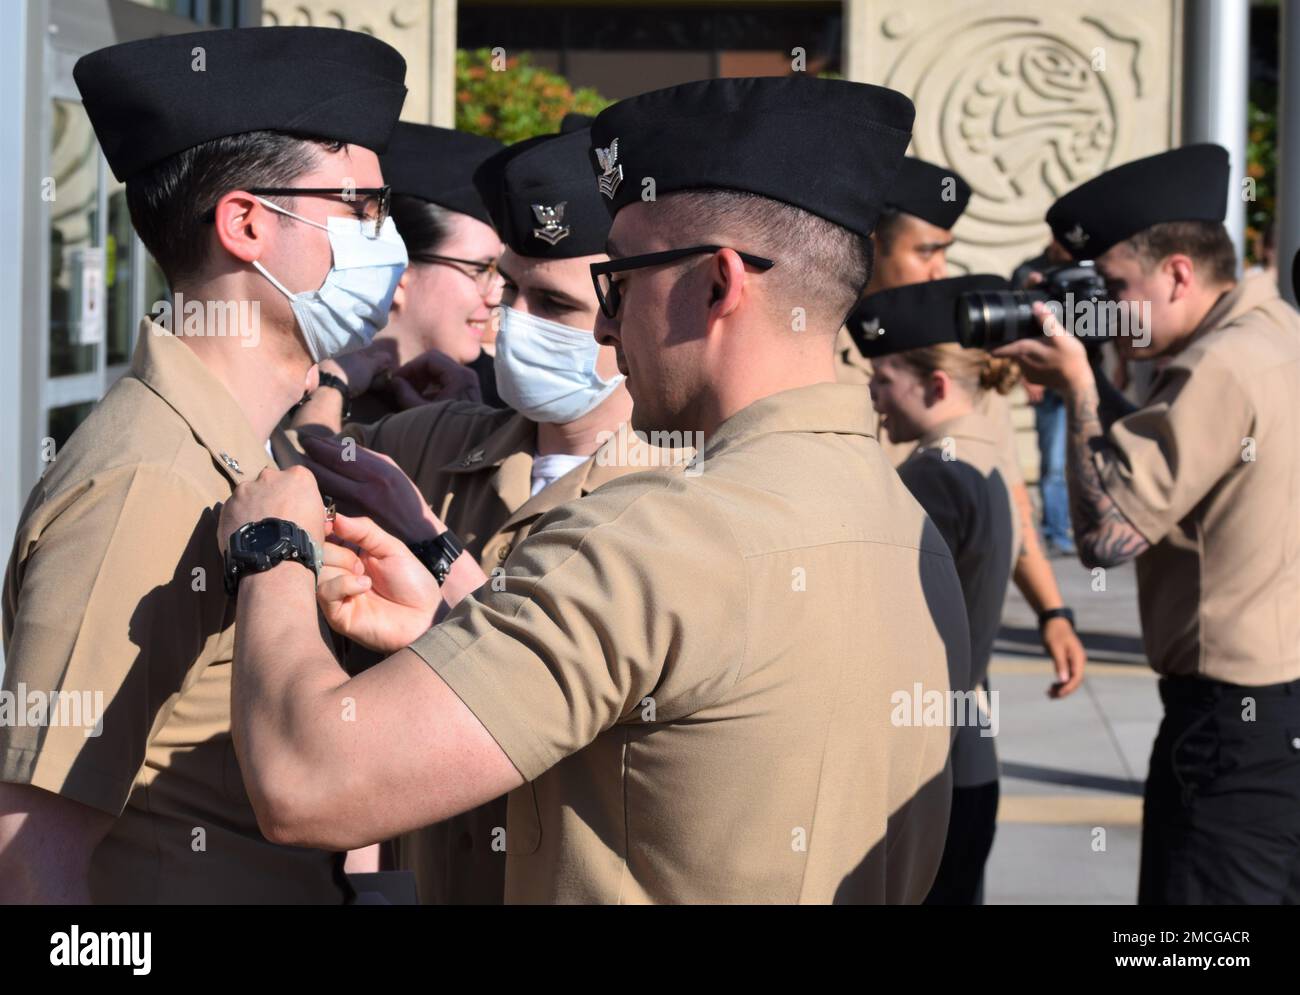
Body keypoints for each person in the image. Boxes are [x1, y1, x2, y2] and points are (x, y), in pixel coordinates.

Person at [216, 75, 970, 904]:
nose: (607, 326)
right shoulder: (907, 528)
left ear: (720, 284)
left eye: (622, 284)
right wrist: (450, 625)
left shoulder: (656, 537)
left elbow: (307, 780)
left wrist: (273, 548)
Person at [0, 26, 408, 903]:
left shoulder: (233, 452)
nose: (388, 242)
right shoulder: (151, 480)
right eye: (361, 208)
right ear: (249, 223)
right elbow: (35, 853)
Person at [292, 126, 682, 904]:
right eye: (509, 290)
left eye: (555, 304)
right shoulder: (433, 441)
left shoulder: (679, 496)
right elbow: (296, 460)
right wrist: (347, 374)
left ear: (622, 313)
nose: (515, 322)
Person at [996, 143, 1300, 904]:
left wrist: (1075, 387)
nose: (1104, 309)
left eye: (1115, 287)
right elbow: (1189, 463)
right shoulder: (1277, 336)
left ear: (1178, 273)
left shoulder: (1218, 367)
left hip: (1230, 728)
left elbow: (1108, 535)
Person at [859, 274, 1023, 904]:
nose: (874, 398)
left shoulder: (933, 475)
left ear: (935, 385)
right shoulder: (983, 449)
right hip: (966, 751)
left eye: (883, 381)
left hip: (929, 767)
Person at [344, 122, 506, 422]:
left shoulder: (499, 404)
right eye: (482, 269)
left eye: (500, 271)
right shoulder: (310, 393)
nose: (497, 295)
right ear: (399, 269)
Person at [833, 156, 969, 387]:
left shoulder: (948, 348)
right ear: (871, 246)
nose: (940, 273)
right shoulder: (814, 344)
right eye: (926, 252)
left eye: (943, 252)